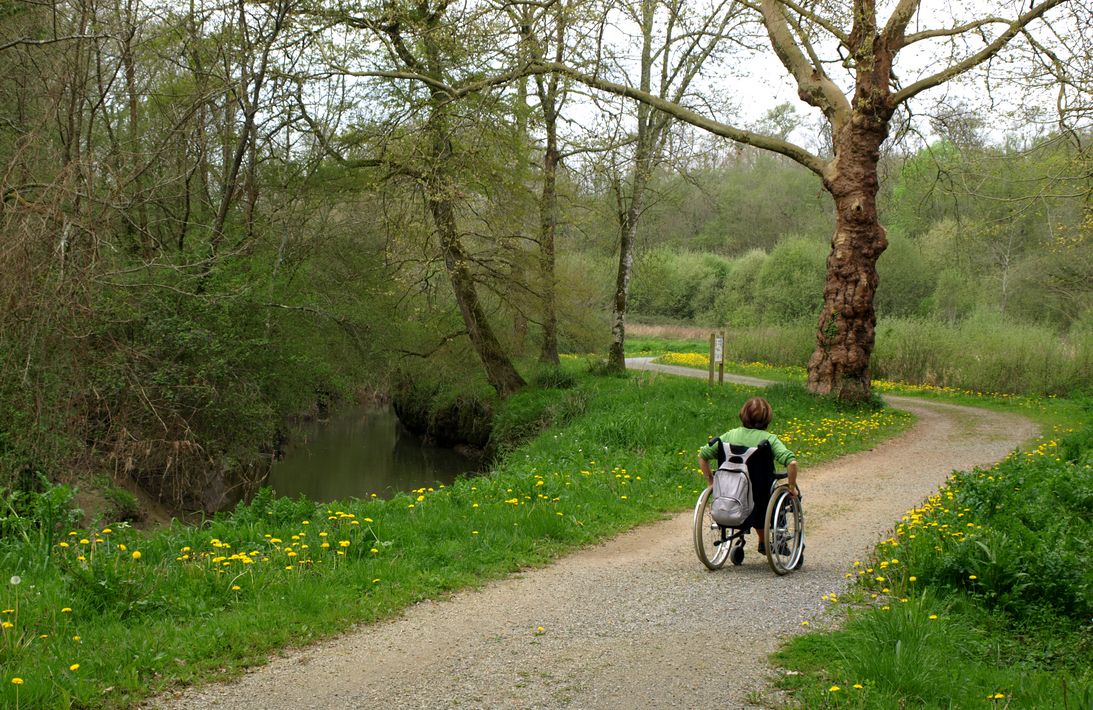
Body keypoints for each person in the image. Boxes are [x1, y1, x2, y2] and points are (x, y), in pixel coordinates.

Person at [697, 396, 798, 555]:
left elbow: (703, 455)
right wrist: (791, 487)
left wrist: (710, 481)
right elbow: (791, 463)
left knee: (759, 499)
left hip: (730, 495)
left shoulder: (730, 435)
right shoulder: (769, 440)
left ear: (743, 415)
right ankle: (767, 541)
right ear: (767, 418)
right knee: (781, 496)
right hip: (760, 500)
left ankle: (758, 540)